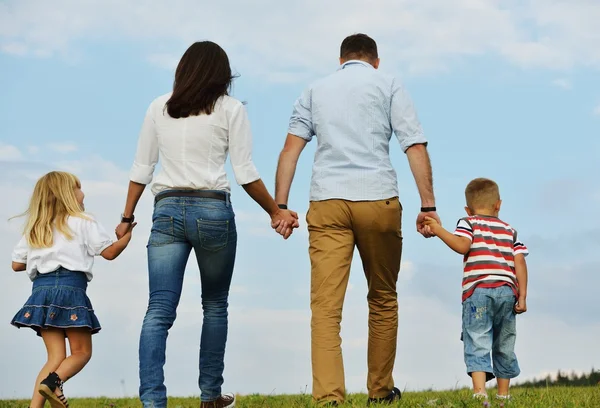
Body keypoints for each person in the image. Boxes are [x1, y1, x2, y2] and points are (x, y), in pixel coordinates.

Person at [115, 41, 298, 408]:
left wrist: (126, 217)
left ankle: (153, 402)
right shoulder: (230, 109)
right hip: (212, 211)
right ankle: (210, 396)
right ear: (221, 74)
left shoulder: (159, 107)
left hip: (166, 211)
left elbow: (142, 167)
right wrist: (276, 212)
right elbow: (245, 172)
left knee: (158, 310)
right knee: (214, 305)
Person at [274, 33, 439, 406]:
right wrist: (428, 206)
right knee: (382, 298)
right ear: (375, 61)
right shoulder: (389, 83)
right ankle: (380, 391)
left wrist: (280, 206)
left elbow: (290, 150)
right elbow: (413, 144)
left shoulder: (315, 90)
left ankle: (329, 398)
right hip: (378, 197)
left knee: (326, 308)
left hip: (328, 201)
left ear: (341, 59)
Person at [10, 171, 136, 408]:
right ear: (67, 194)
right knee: (81, 353)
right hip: (70, 290)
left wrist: (44, 254)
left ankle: (35, 406)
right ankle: (54, 382)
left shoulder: (36, 227)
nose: (83, 192)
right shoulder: (83, 221)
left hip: (41, 293)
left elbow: (16, 264)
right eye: (78, 188)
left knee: (55, 357)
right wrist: (126, 237)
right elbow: (109, 252)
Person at [423, 178, 529, 401]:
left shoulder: (468, 222)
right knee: (504, 343)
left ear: (467, 209)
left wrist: (438, 229)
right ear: (498, 204)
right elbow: (520, 263)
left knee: (477, 339)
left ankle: (480, 395)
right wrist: (523, 295)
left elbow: (462, 245)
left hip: (478, 291)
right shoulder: (510, 231)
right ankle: (503, 395)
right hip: (507, 292)